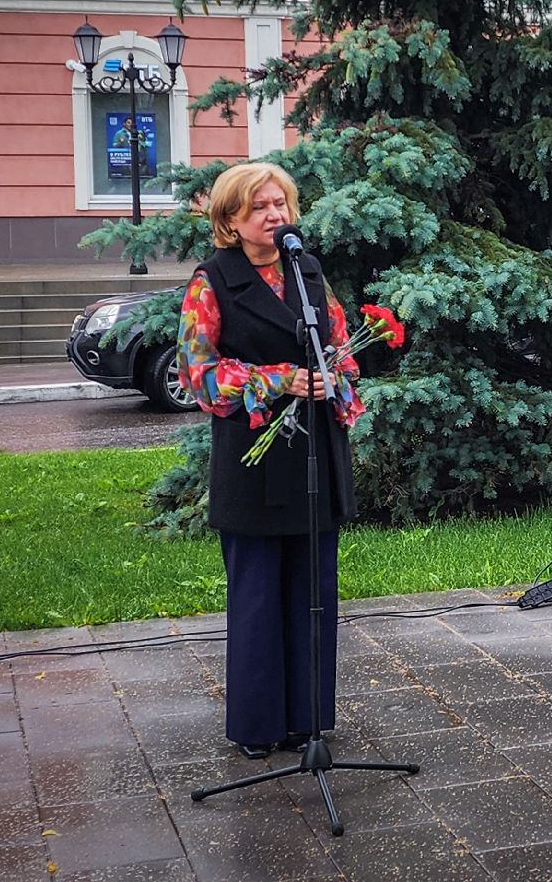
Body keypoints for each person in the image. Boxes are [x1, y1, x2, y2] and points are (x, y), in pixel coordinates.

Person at [177, 162, 364, 758]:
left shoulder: (306, 270)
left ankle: (308, 719)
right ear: (231, 219)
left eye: (280, 203)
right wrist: (280, 379)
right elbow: (198, 375)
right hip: (254, 461)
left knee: (313, 587)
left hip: (312, 450)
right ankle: (258, 726)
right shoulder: (212, 281)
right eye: (259, 207)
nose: (275, 216)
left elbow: (339, 342)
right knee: (259, 594)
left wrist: (335, 374)